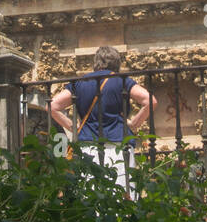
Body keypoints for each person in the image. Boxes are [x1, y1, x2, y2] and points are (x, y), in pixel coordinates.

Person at [49, 46, 155, 194]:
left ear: (95, 63)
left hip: (88, 147)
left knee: (90, 197)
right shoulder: (122, 81)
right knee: (122, 196)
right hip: (118, 145)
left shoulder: (79, 83)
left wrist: (73, 126)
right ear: (117, 63)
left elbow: (52, 106)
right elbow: (150, 101)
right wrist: (133, 125)